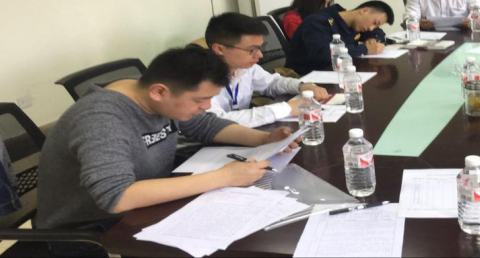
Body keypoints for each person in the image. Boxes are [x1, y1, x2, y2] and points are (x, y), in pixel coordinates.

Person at [36, 47, 300, 256]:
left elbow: (205, 124)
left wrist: (264, 138)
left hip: (148, 205)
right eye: (200, 100)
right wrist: (223, 177)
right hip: (93, 230)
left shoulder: (157, 95)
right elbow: (117, 197)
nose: (205, 106)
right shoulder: (101, 119)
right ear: (159, 91)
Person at [205, 13, 329, 127]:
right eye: (252, 50)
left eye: (260, 48)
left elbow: (271, 83)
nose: (260, 55)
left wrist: (301, 86)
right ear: (220, 49)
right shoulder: (200, 78)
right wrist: (287, 108)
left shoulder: (246, 67)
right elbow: (216, 122)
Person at [286, 0, 394, 75]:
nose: (371, 28)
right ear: (364, 10)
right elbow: (322, 54)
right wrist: (364, 49)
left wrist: (372, 39)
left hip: (337, 72)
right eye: (374, 22)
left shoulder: (353, 24)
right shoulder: (318, 22)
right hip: (306, 77)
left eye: (376, 26)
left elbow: (378, 33)